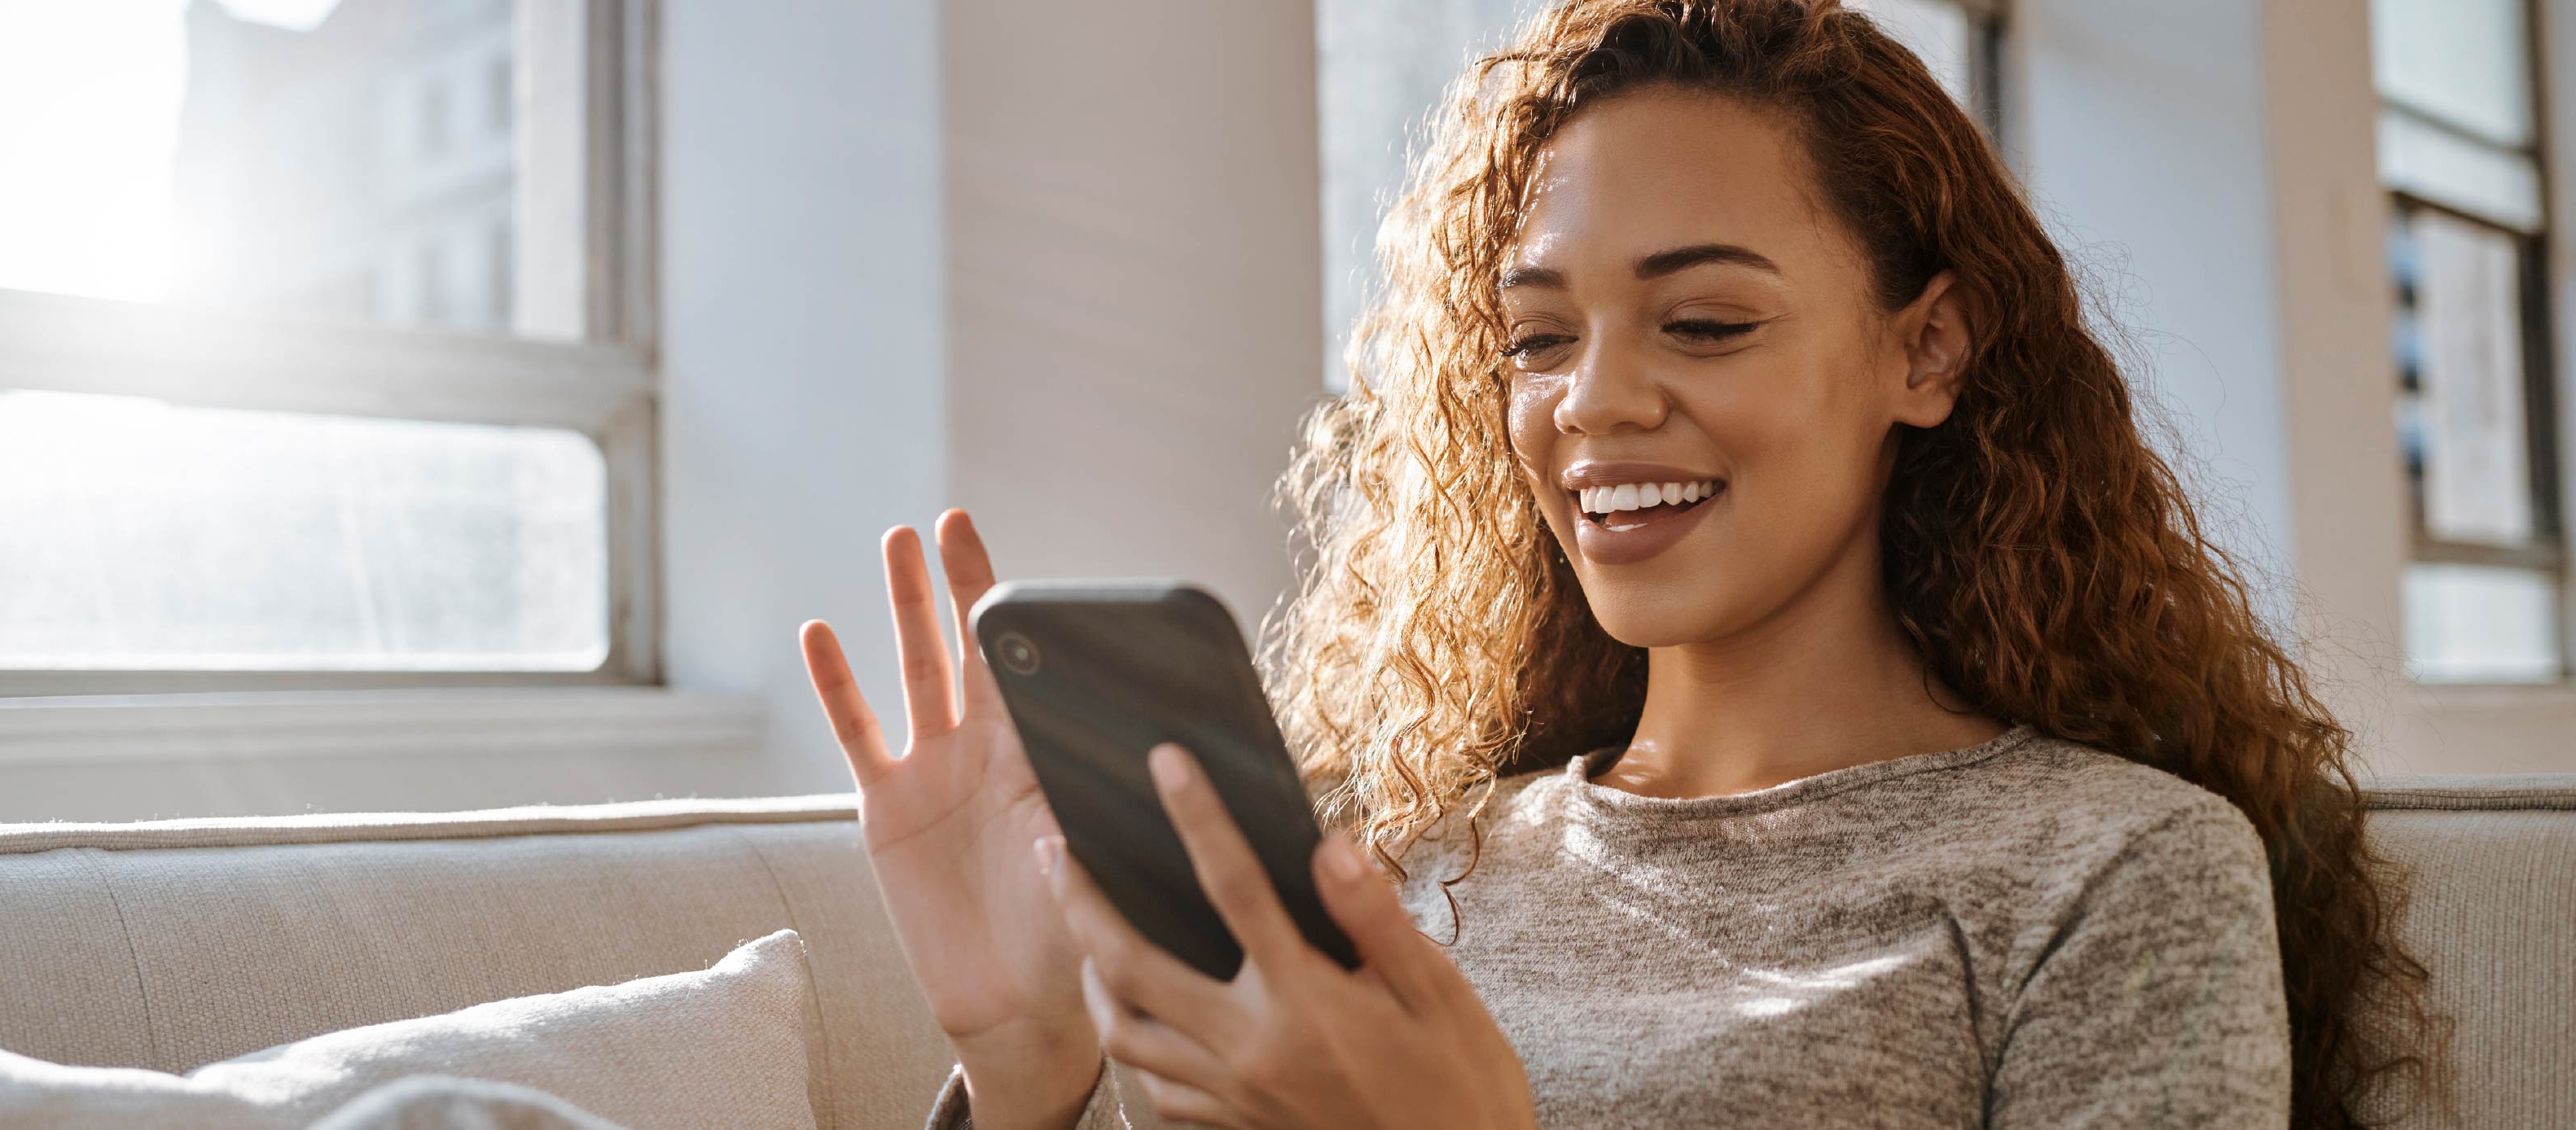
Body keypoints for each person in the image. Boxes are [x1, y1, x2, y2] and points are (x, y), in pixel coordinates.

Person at [796, 2, 2442, 1127]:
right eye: (1532, 338)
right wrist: (1027, 1075)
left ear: (1923, 350)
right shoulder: (1381, 856)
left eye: (1705, 320)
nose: (1592, 404)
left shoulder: (2112, 872)